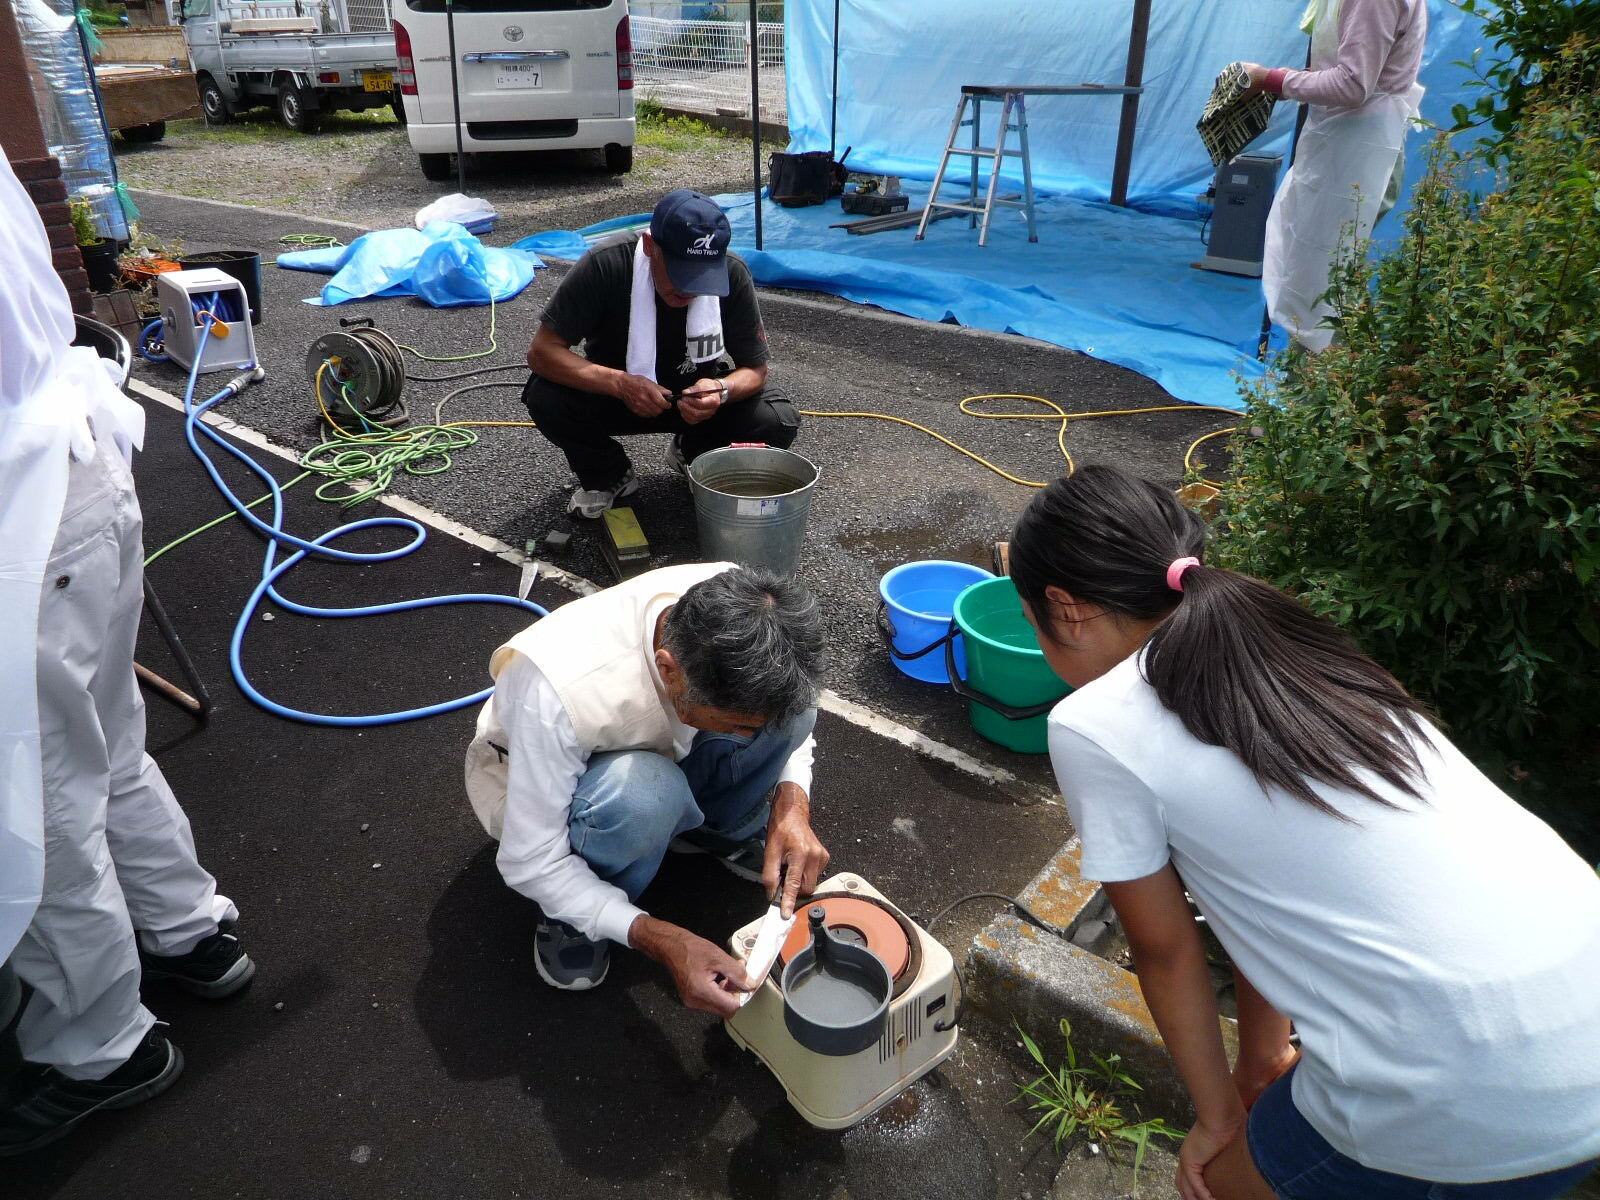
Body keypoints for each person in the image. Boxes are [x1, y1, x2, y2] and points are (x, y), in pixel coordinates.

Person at [1008, 464, 1600, 1200]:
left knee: (1218, 1184)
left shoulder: (1095, 724)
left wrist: (1219, 1117)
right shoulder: (1290, 649)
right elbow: (1268, 901)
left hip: (1465, 1070)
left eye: (1032, 622)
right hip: (1579, 1001)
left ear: (1064, 609)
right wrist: (1261, 1062)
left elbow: (1164, 951)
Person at [0, 157, 254, 1157]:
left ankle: (105, 1049)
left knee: (39, 799)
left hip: (21, 518)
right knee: (105, 742)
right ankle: (190, 935)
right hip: (77, 465)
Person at [464, 562, 828, 1014]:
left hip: (667, 741)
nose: (748, 738)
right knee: (646, 795)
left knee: (790, 711)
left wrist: (792, 804)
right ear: (668, 670)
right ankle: (578, 915)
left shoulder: (748, 607)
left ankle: (714, 831)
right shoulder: (556, 692)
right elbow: (529, 860)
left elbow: (790, 712)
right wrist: (660, 938)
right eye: (738, 726)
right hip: (572, 790)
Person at [523, 189, 801, 519]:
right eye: (681, 273)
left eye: (701, 277)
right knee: (544, 395)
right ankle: (608, 475)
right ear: (650, 246)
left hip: (695, 402)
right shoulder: (607, 263)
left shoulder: (733, 272)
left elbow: (756, 370)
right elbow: (542, 352)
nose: (689, 289)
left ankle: (695, 454)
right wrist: (620, 383)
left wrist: (720, 392)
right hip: (616, 396)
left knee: (776, 418)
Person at [1245, 0, 1428, 352]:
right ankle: (1333, 390)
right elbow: (1352, 64)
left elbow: (1353, 85)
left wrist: (1272, 80)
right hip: (1342, 142)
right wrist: (1303, 79)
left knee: (1327, 277)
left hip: (1363, 150)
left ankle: (1325, 395)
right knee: (1326, 273)